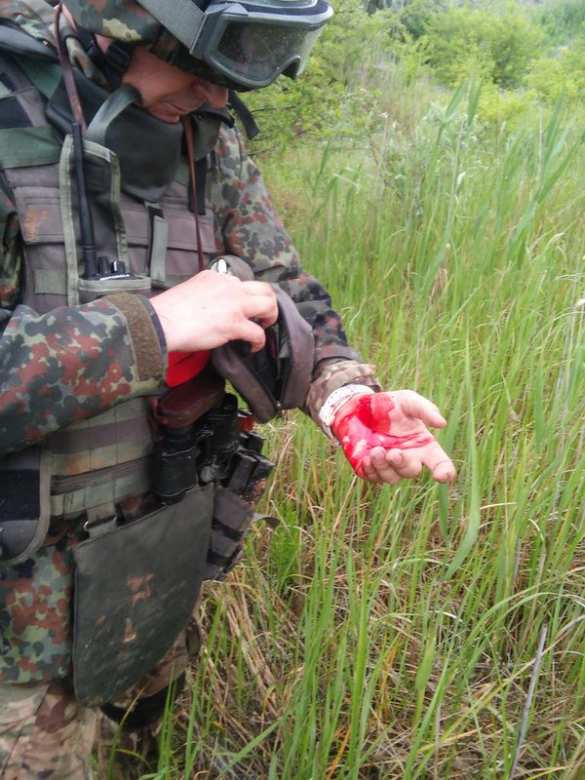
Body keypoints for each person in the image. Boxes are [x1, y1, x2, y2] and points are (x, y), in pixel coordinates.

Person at [0, 0, 456, 776]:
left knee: (152, 746)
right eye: (198, 71)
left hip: (163, 555)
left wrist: (344, 394)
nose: (216, 97)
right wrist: (151, 329)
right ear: (127, 22)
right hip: (23, 627)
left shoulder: (205, 134)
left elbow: (283, 287)